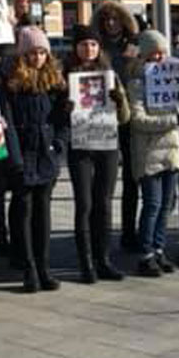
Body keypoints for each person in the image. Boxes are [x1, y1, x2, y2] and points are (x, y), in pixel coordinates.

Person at [3, 26, 70, 293]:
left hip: (46, 155)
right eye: (33, 52)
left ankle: (44, 266)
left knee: (43, 215)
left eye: (43, 52)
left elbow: (62, 120)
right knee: (24, 212)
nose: (38, 57)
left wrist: (58, 146)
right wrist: (15, 160)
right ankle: (28, 267)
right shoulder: (12, 84)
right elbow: (7, 123)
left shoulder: (54, 82)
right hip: (23, 155)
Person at [65, 25, 132, 283]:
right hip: (80, 146)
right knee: (84, 204)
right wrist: (66, 106)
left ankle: (103, 259)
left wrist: (119, 100)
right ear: (75, 48)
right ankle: (86, 262)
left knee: (103, 204)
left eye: (93, 44)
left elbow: (125, 119)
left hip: (106, 144)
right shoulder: (66, 74)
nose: (88, 49)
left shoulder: (110, 75)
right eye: (83, 44)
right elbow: (58, 118)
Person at [126, 30, 179, 277]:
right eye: (153, 54)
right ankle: (146, 254)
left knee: (167, 205)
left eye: (162, 53)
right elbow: (138, 120)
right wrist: (173, 119)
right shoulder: (137, 83)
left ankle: (160, 250)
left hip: (171, 151)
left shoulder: (172, 80)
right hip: (149, 153)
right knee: (152, 204)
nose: (159, 58)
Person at [92, 1, 141, 254]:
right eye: (106, 19)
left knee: (132, 178)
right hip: (102, 117)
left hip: (130, 115)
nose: (111, 23)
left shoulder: (134, 45)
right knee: (105, 180)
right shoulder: (96, 46)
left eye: (115, 19)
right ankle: (101, 234)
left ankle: (129, 231)